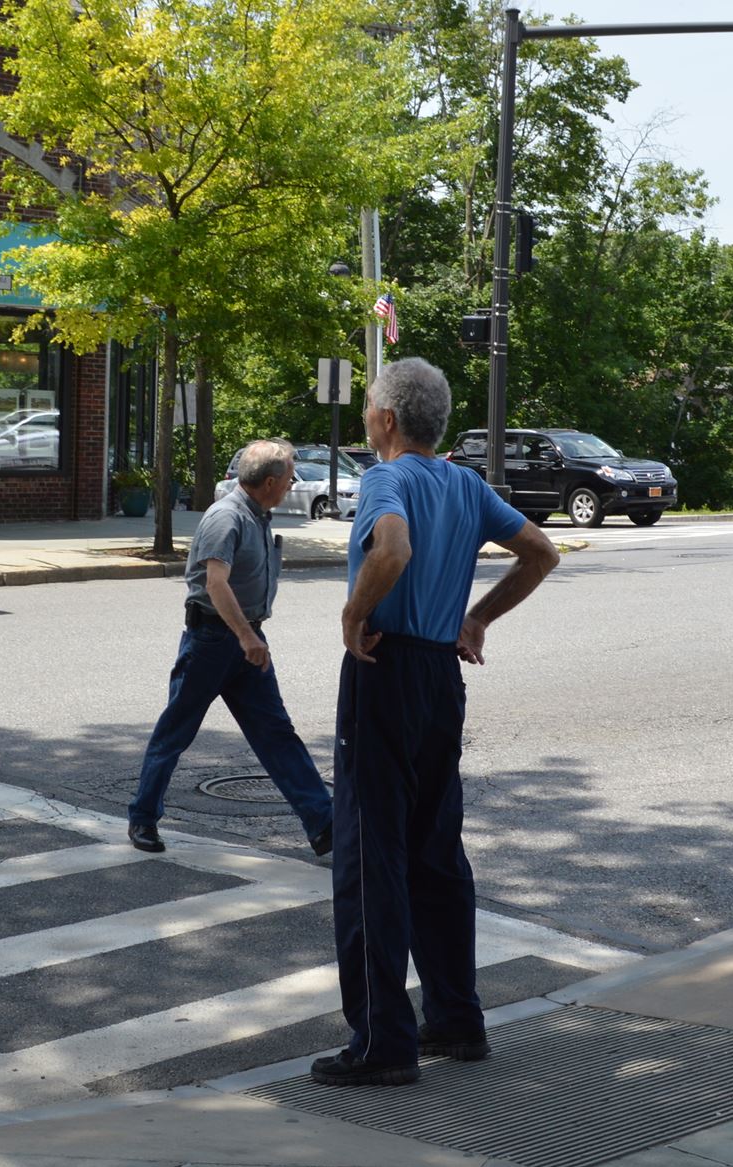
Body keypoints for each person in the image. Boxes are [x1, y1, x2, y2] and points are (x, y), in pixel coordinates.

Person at [313, 358, 559, 1087]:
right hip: (440, 677)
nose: (365, 417)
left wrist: (354, 614)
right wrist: (476, 617)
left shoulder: (387, 478)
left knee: (371, 854)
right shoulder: (465, 483)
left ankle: (382, 1040)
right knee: (436, 847)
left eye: (368, 409)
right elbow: (541, 551)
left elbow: (392, 549)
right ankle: (455, 1016)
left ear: (388, 419)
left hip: (385, 668)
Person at [128, 438, 335, 857]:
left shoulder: (258, 513)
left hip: (246, 641)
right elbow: (215, 583)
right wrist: (246, 637)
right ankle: (143, 817)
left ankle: (325, 825)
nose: (293, 482)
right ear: (271, 481)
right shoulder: (227, 517)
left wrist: (250, 637)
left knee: (277, 735)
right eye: (291, 476)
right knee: (175, 734)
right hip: (213, 642)